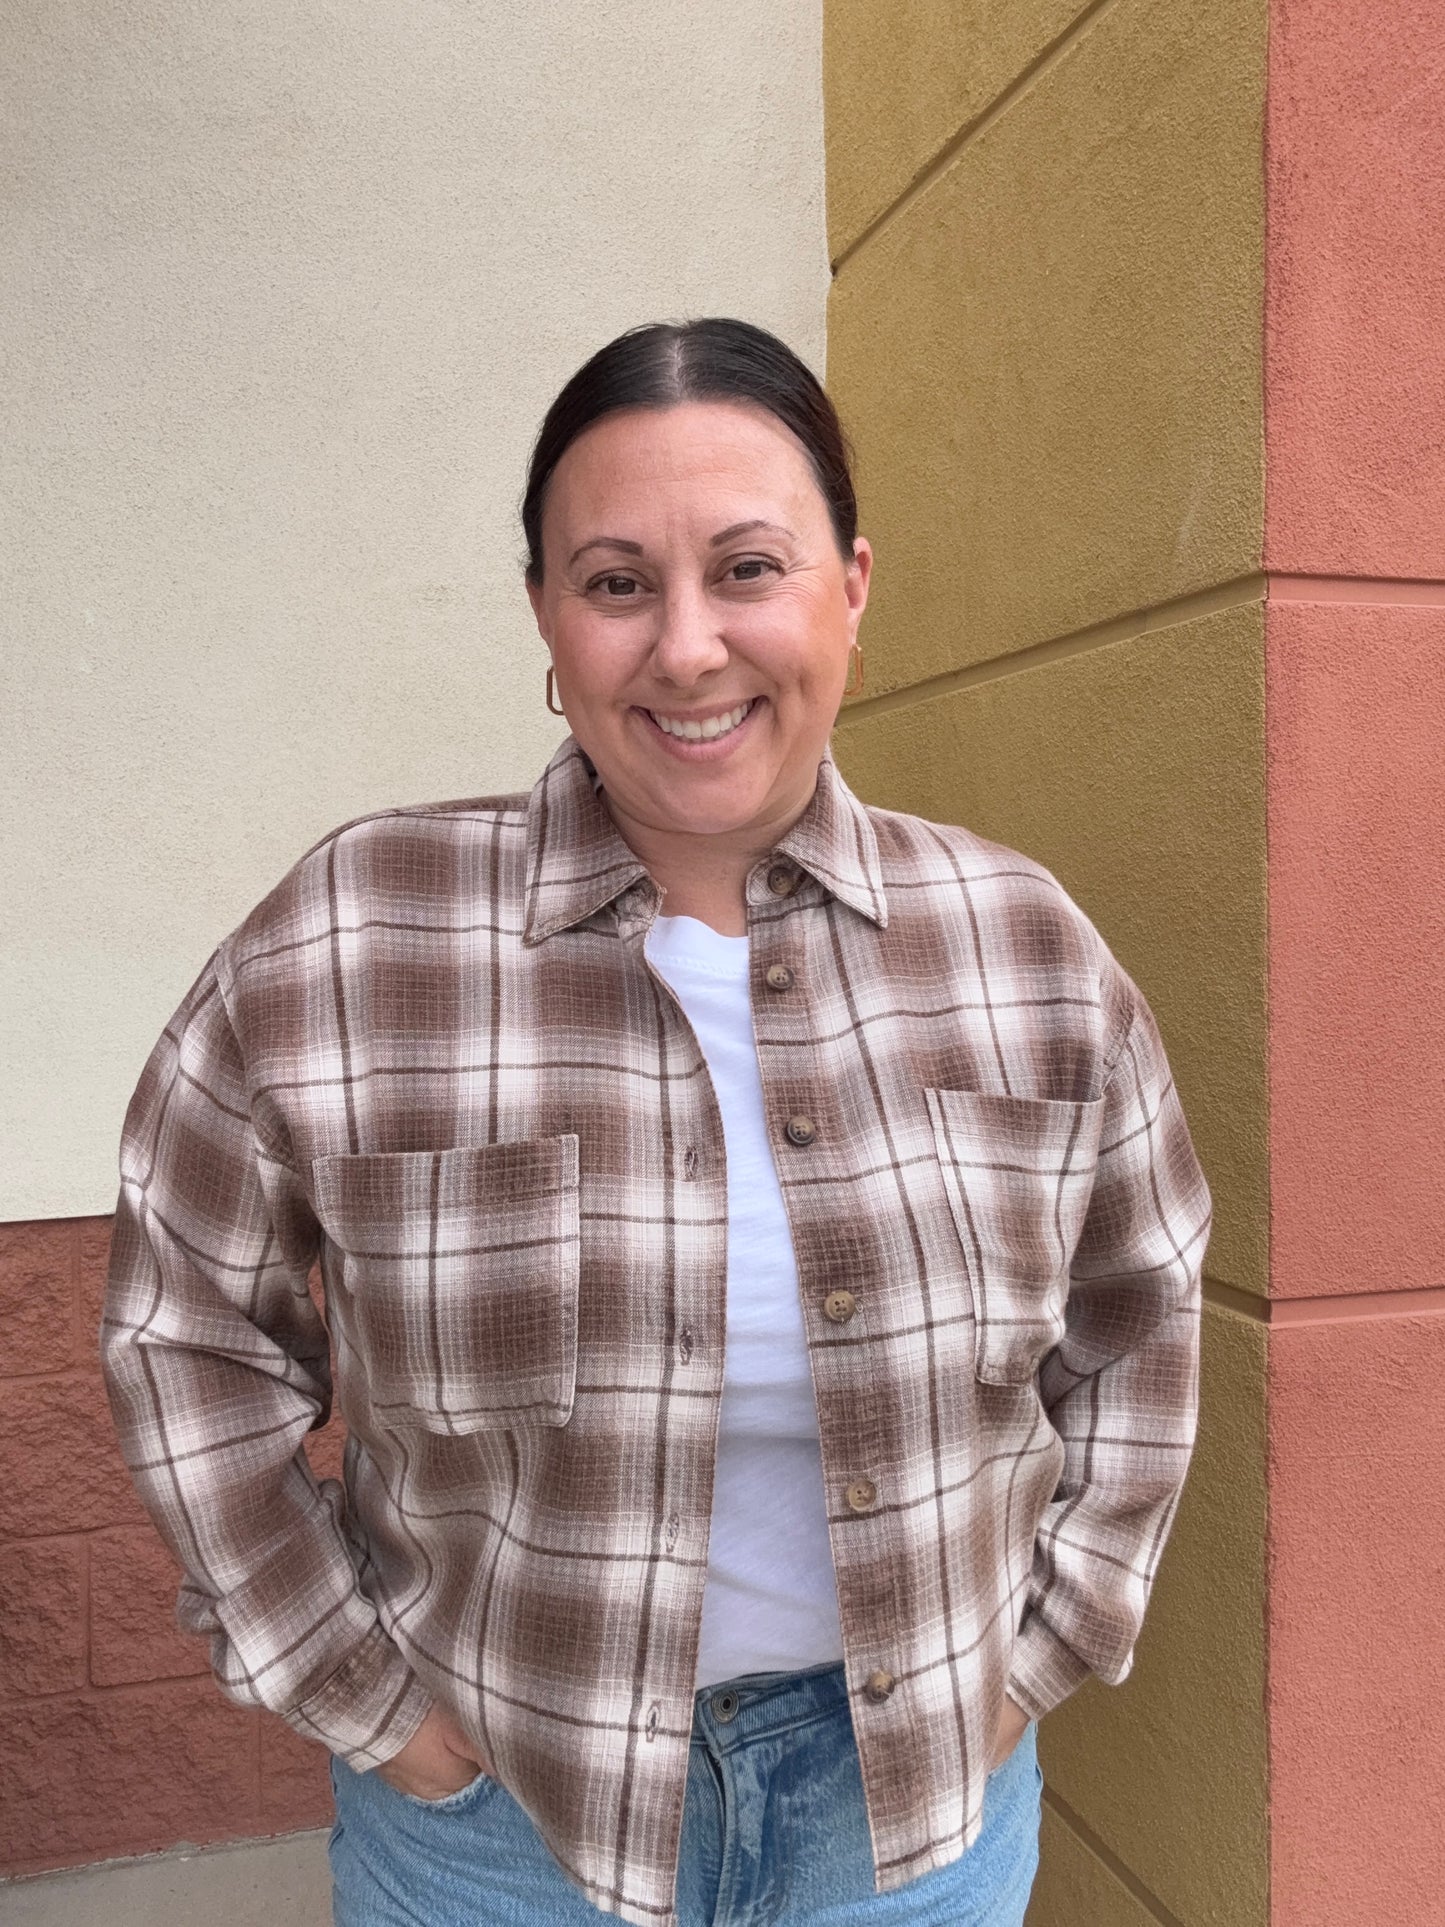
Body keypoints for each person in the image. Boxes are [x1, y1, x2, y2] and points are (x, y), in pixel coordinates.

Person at [101, 318, 1212, 1927]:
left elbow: (1141, 1322)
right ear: (549, 620)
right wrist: (378, 1715)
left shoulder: (1020, 947)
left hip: (908, 1827)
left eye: (747, 568)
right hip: (496, 1832)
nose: (687, 648)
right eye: (617, 582)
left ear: (850, 586)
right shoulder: (357, 937)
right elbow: (186, 1337)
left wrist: (1033, 1666)